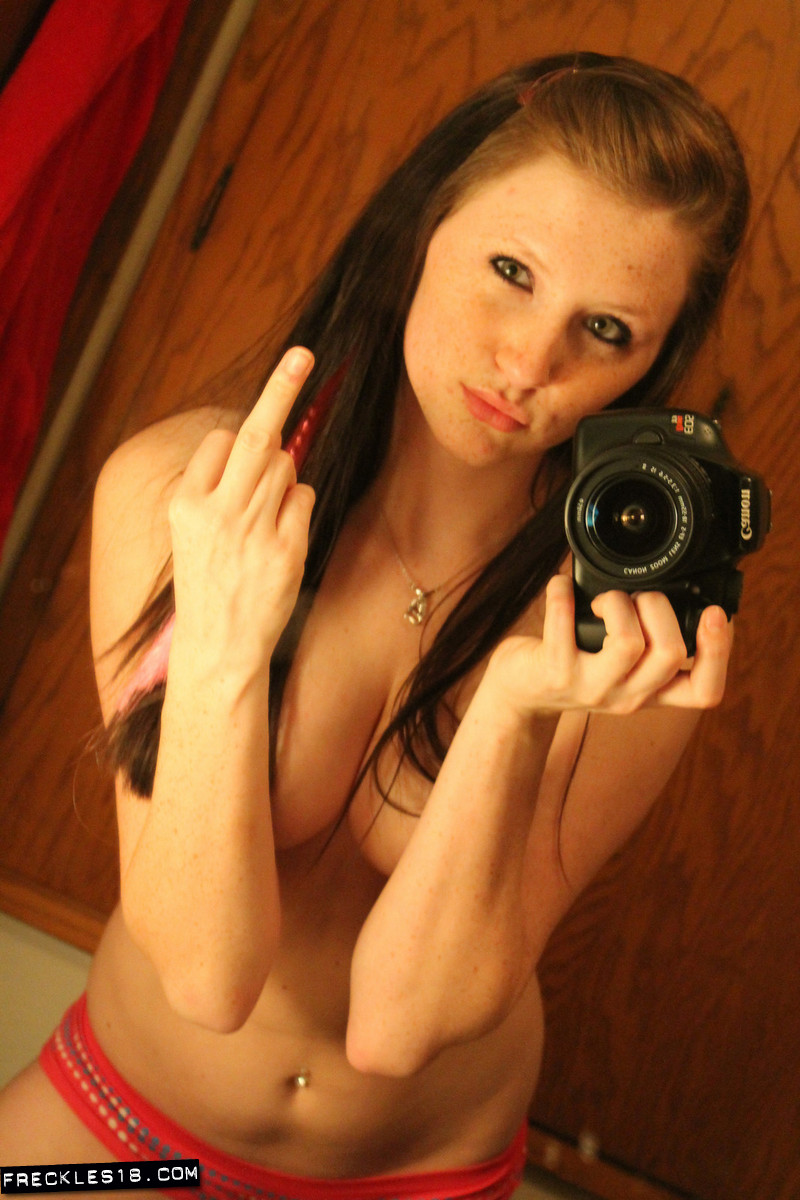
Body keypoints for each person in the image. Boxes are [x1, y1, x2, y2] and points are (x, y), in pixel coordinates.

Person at [0, 51, 750, 1200]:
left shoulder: (626, 626)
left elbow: (402, 1026)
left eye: (604, 328)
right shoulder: (183, 498)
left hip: (420, 1173)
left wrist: (510, 710)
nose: (528, 362)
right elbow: (203, 975)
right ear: (420, 230)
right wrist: (220, 642)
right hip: (120, 1129)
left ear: (651, 363)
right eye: (509, 271)